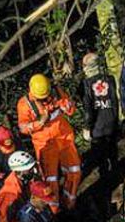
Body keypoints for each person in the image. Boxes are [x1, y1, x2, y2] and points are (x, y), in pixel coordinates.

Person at [17, 73, 81, 212]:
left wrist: (67, 106)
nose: (45, 99)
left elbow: (71, 110)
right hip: (44, 144)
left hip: (64, 139)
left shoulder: (57, 92)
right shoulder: (25, 104)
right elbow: (23, 127)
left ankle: (69, 203)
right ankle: (53, 211)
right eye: (41, 98)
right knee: (50, 180)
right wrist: (40, 122)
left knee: (74, 171)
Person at [80, 52, 120, 179]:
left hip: (97, 126)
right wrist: (117, 120)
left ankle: (106, 181)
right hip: (111, 121)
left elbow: (88, 110)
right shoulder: (110, 79)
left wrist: (87, 127)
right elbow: (115, 101)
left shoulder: (86, 84)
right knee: (113, 152)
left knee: (100, 155)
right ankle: (116, 174)